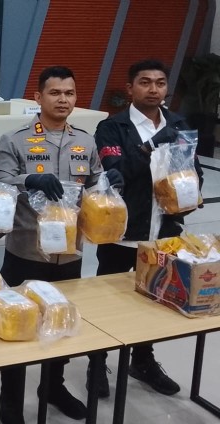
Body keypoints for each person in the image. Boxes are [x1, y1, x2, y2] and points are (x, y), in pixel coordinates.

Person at [0, 66, 121, 424]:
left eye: (69, 93)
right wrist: (29, 179)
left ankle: (53, 387)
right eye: (55, 93)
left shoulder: (86, 141)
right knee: (16, 328)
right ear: (38, 97)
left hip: (69, 254)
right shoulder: (14, 139)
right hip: (25, 253)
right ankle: (10, 401)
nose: (63, 99)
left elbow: (94, 185)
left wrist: (108, 182)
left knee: (61, 323)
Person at [86, 59, 203, 398]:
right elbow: (116, 170)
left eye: (160, 83)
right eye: (145, 82)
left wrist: (192, 193)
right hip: (121, 233)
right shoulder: (113, 127)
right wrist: (152, 145)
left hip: (164, 231)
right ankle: (97, 362)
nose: (154, 89)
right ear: (130, 88)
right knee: (107, 302)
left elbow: (193, 168)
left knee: (155, 298)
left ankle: (143, 361)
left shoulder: (179, 125)